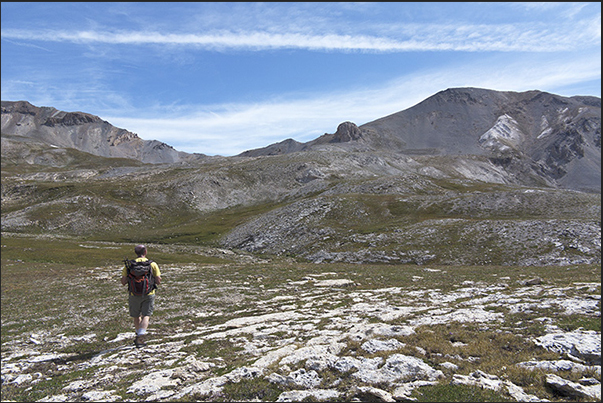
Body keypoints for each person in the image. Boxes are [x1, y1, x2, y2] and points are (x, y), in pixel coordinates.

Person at [121, 244, 162, 348]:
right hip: (149, 293)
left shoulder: (129, 265)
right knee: (146, 315)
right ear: (145, 252)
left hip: (133, 294)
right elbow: (158, 281)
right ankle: (140, 337)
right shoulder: (152, 264)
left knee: (136, 316)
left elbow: (123, 282)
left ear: (136, 253)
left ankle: (138, 336)